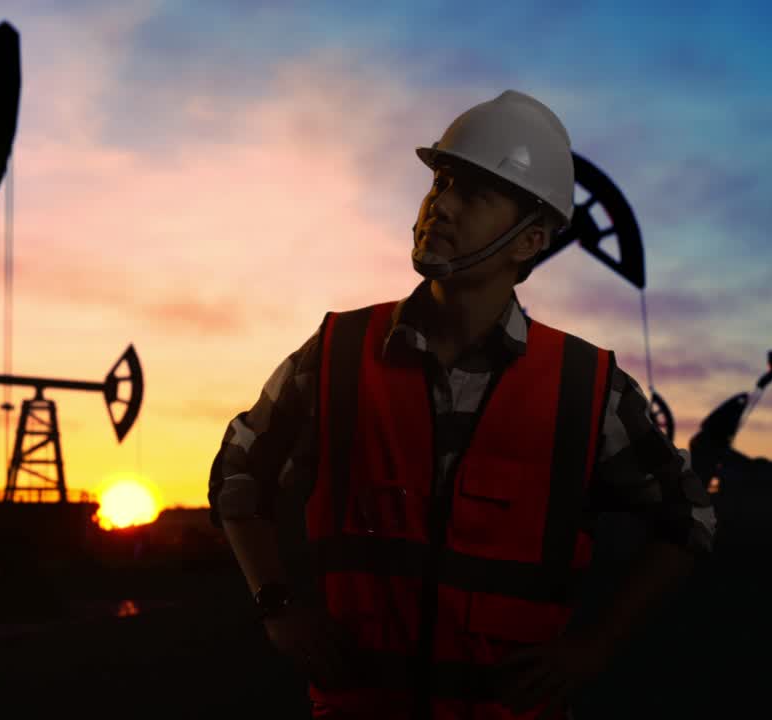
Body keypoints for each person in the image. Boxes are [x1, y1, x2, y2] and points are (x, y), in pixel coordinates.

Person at [209, 90, 716, 720]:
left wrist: (593, 647)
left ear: (530, 240)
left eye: (472, 194)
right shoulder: (337, 353)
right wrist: (277, 605)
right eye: (441, 183)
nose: (438, 206)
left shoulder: (588, 388)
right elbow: (238, 472)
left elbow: (689, 517)